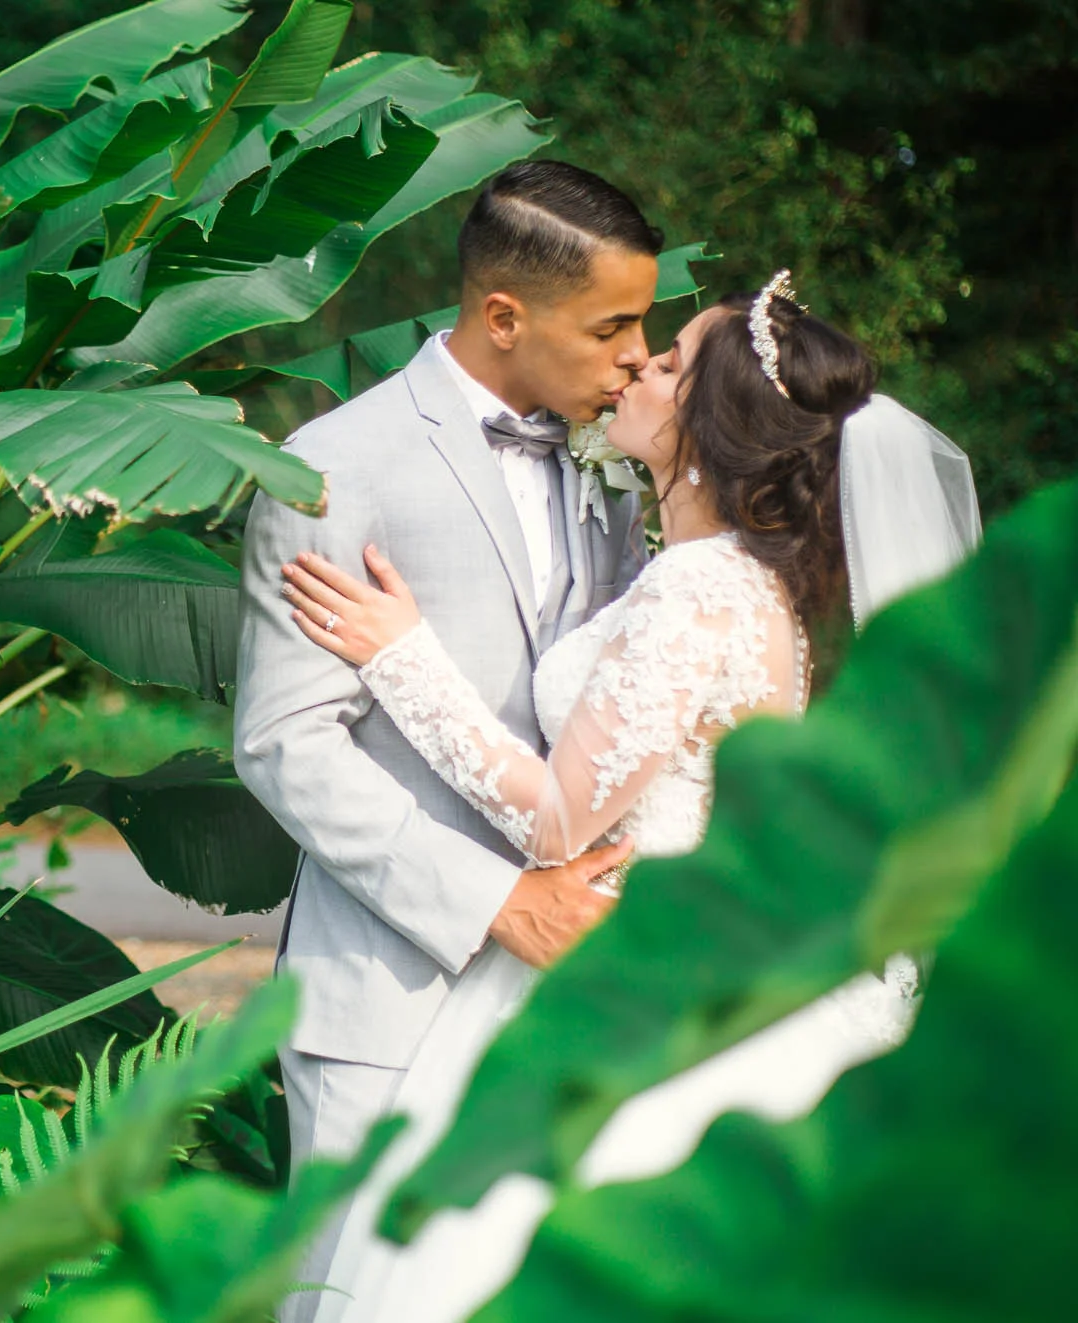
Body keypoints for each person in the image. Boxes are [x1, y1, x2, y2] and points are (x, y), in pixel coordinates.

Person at [280, 271, 979, 1321]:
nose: (636, 365)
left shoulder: (700, 592)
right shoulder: (728, 578)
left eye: (668, 362)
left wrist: (401, 655)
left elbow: (558, 817)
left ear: (707, 423)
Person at [232, 160, 658, 1323]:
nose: (636, 356)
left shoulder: (618, 473)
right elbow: (283, 743)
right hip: (388, 994)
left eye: (643, 325)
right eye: (610, 328)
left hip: (570, 997)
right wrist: (498, 903)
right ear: (502, 315)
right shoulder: (335, 467)